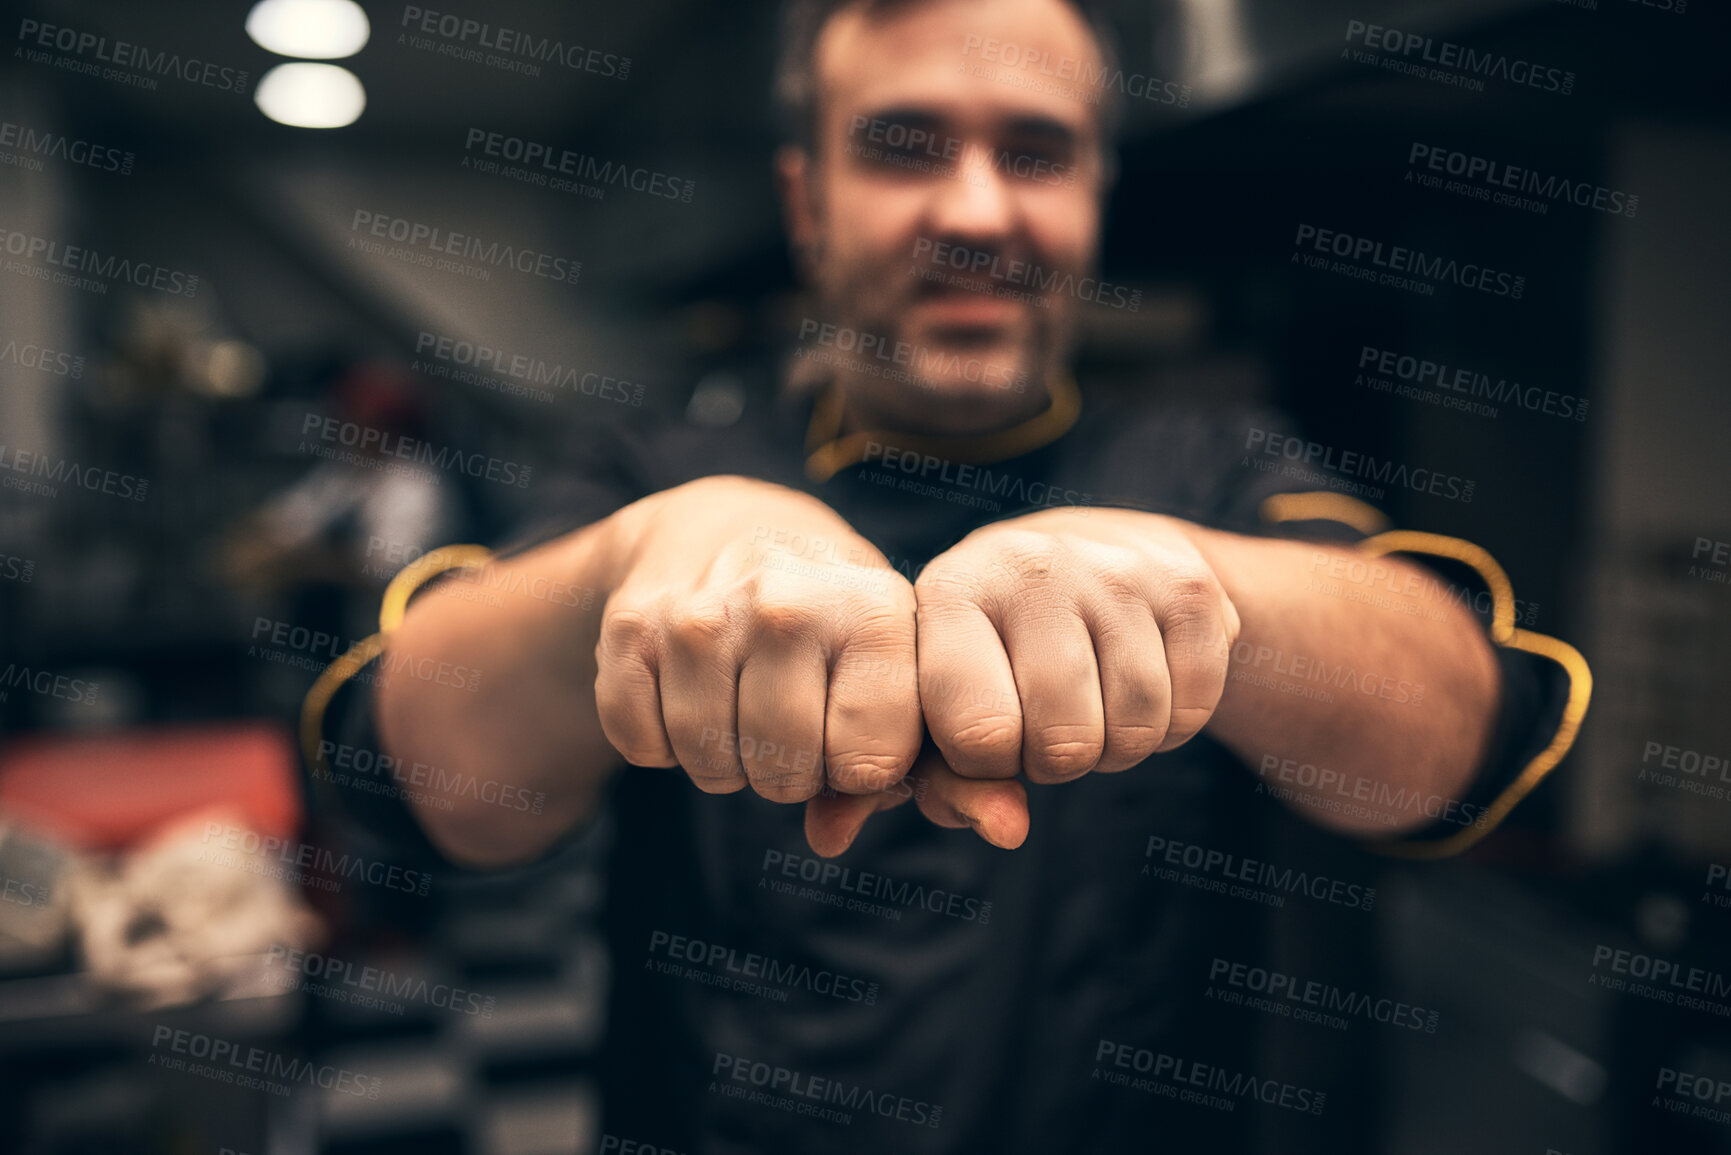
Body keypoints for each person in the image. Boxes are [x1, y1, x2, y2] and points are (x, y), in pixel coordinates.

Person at [307, 0, 1581, 1149]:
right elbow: (423, 783)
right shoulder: (650, 464)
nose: (978, 212)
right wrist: (634, 559)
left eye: (1036, 152)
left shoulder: (1214, 465)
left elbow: (1460, 738)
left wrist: (1200, 583)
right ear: (807, 202)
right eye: (904, 146)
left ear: (1092, 193)